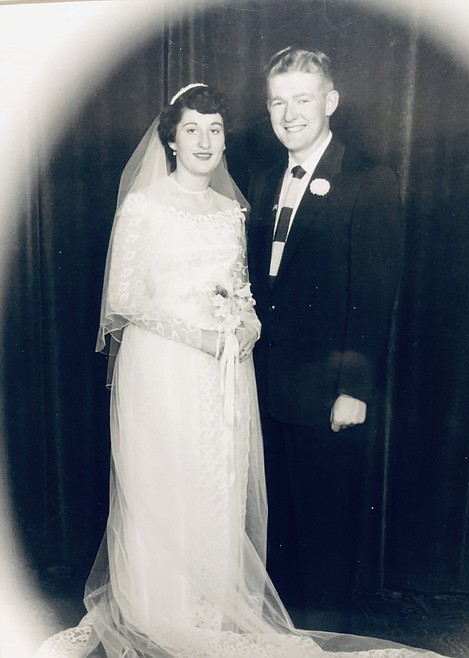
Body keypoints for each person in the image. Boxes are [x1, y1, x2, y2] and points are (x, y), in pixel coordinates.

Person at [35, 83, 446, 658]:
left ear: (226, 139)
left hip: (224, 371)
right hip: (162, 366)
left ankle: (210, 610)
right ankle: (161, 610)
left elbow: (242, 288)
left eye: (215, 129)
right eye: (192, 130)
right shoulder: (145, 206)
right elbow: (124, 302)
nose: (205, 142)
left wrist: (247, 323)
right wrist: (199, 335)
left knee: (216, 483)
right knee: (165, 482)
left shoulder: (233, 211)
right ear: (171, 141)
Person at [248, 47, 402, 632]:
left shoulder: (368, 177)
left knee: (326, 533)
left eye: (302, 100)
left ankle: (326, 645)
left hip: (328, 394)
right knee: (279, 534)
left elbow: (375, 294)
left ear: (330, 102)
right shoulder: (264, 180)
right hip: (266, 391)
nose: (289, 114)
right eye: (277, 102)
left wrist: (354, 390)